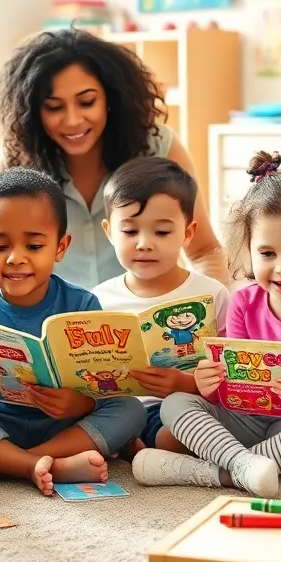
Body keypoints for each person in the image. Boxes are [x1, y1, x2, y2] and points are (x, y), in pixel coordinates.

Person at [133, 151, 281, 496]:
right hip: (244, 420)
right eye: (268, 254)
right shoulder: (243, 301)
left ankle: (215, 472)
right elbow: (227, 378)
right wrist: (208, 382)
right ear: (250, 249)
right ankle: (244, 468)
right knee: (175, 404)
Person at [0, 168, 147, 495]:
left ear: (60, 247)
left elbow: (98, 388)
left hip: (62, 426)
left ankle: (7, 466)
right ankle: (38, 465)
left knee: (131, 409)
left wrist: (78, 405)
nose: (16, 258)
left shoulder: (82, 304)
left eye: (34, 246)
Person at [0, 29, 226, 289]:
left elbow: (204, 251)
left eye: (87, 102)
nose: (73, 120)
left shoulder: (158, 146)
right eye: (54, 107)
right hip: (53, 320)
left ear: (111, 98)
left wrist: (210, 309)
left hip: (144, 318)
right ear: (33, 111)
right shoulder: (15, 161)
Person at [89, 156, 229, 452]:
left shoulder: (211, 294)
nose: (144, 243)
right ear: (109, 232)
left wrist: (185, 384)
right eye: (129, 231)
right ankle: (130, 444)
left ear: (188, 233)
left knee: (179, 429)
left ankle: (141, 449)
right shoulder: (97, 299)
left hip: (184, 406)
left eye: (162, 232)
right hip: (117, 409)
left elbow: (226, 372)